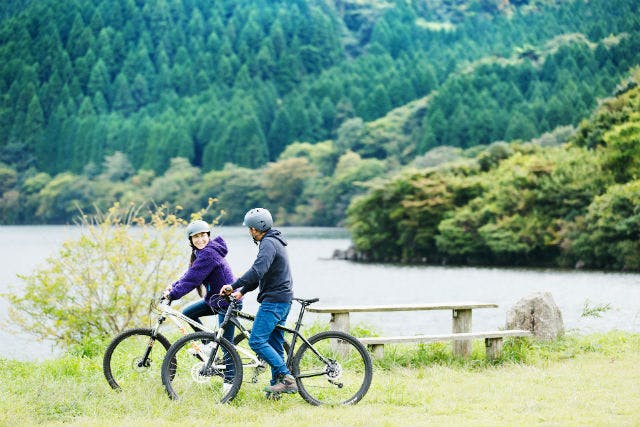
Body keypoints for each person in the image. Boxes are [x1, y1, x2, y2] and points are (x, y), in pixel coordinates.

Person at [220, 207, 297, 397]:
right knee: (275, 344)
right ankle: (275, 391)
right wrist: (242, 291)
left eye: (250, 229)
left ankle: (287, 378)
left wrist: (233, 285)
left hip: (274, 301)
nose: (249, 232)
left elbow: (257, 271)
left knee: (256, 341)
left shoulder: (268, 243)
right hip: (282, 299)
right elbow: (262, 274)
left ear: (256, 229)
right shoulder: (274, 241)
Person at [164, 219, 238, 390]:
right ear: (190, 240)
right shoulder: (201, 254)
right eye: (196, 237)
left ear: (208, 236)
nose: (200, 239)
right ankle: (206, 345)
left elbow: (192, 280)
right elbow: (189, 274)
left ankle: (230, 383)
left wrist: (173, 294)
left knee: (227, 344)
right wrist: (173, 286)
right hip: (215, 300)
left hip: (228, 302)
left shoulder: (209, 254)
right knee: (188, 312)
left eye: (203, 235)